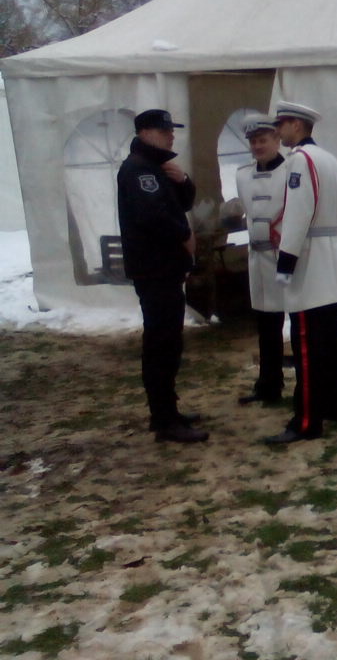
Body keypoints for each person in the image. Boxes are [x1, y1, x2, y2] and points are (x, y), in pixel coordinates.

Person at [116, 108, 208, 443]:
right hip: (154, 269)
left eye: (172, 130)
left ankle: (168, 410)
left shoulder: (155, 166)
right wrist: (184, 236)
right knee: (161, 343)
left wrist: (183, 180)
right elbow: (152, 215)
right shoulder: (138, 169)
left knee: (170, 341)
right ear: (145, 132)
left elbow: (182, 202)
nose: (171, 135)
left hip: (166, 268)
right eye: (164, 130)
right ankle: (164, 418)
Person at [264, 101, 337, 444]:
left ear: (297, 126)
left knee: (307, 346)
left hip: (310, 259)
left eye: (281, 124)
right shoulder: (329, 159)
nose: (278, 131)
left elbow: (298, 213)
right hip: (330, 256)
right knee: (331, 342)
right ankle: (335, 406)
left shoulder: (300, 160)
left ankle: (306, 420)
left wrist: (286, 261)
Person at [234, 113, 288, 405]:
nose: (257, 146)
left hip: (285, 256)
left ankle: (309, 385)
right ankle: (269, 384)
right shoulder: (243, 175)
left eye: (263, 140)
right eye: (253, 141)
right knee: (267, 326)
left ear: (277, 139)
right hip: (258, 257)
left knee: (298, 322)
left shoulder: (291, 171)